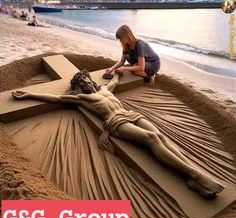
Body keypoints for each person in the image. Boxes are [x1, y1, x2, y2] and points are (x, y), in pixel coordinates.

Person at [11, 70, 224, 199]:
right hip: (116, 123)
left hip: (130, 114)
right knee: (152, 140)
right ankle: (195, 175)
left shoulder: (105, 89)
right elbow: (57, 99)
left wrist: (118, 70)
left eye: (86, 80)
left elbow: (114, 80)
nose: (86, 83)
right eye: (82, 83)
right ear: (79, 88)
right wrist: (29, 94)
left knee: (161, 136)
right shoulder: (83, 99)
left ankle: (192, 177)